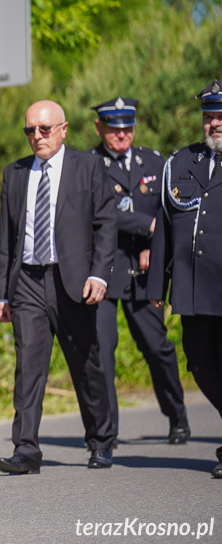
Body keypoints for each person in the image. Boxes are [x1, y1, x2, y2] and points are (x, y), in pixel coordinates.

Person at [0, 100, 117, 474]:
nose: (36, 137)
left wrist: (99, 274)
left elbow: (105, 225)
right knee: (28, 366)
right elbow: (6, 238)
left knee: (86, 363)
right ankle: (26, 450)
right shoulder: (15, 173)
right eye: (30, 130)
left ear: (63, 129)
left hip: (73, 281)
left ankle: (100, 441)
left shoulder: (89, 167)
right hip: (27, 282)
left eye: (44, 129)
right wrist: (2, 292)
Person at [88, 97, 188, 447]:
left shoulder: (154, 161)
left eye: (127, 128)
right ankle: (106, 433)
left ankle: (178, 417)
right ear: (99, 128)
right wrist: (148, 225)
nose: (121, 135)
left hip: (145, 272)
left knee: (157, 347)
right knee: (102, 352)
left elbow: (170, 211)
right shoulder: (88, 164)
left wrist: (156, 246)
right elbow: (101, 212)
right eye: (114, 129)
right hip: (103, 270)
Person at [149, 80, 222, 479]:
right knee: (201, 364)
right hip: (194, 289)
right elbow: (164, 226)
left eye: (221, 116)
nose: (215, 123)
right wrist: (156, 287)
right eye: (210, 116)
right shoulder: (180, 163)